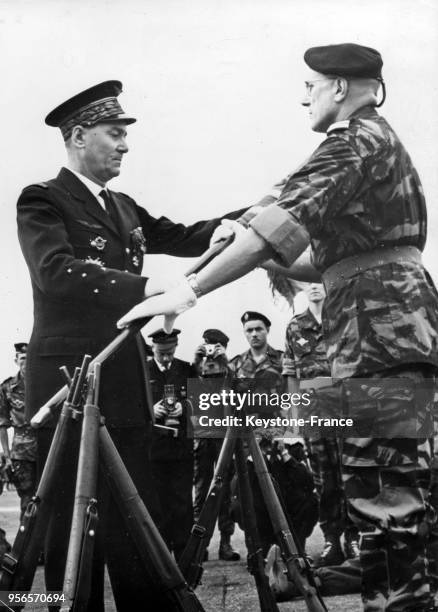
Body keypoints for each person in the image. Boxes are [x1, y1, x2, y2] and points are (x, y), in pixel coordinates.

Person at [119, 43, 438, 612]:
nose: (305, 96)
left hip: (378, 334)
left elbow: (280, 224)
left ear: (339, 87)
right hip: (384, 328)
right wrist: (251, 246)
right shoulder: (375, 144)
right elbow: (315, 259)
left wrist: (189, 289)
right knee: (388, 494)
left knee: (387, 500)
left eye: (311, 86)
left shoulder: (353, 143)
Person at [16, 80, 247, 611]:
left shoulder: (121, 206)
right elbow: (56, 273)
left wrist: (253, 215)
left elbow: (186, 235)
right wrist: (149, 288)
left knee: (132, 518)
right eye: (114, 134)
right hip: (69, 381)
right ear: (78, 137)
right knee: (70, 529)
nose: (125, 145)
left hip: (123, 380)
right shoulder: (43, 201)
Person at [283, 283, 359, 566]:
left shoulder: (345, 317)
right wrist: (293, 419)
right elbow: (291, 373)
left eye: (319, 280)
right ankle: (331, 539)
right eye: (308, 282)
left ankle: (354, 537)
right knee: (323, 480)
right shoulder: (294, 326)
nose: (314, 287)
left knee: (350, 473)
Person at [147, 328, 197, 562]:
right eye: (161, 353)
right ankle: (161, 559)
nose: (166, 358)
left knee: (182, 505)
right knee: (157, 506)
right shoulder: (142, 371)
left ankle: (184, 559)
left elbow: (203, 403)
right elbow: (132, 405)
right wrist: (150, 411)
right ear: (153, 349)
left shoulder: (187, 369)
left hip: (180, 451)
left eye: (170, 352)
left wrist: (184, 407)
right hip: (153, 452)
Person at [192, 328, 240, 562]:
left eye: (215, 347)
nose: (210, 352)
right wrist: (197, 360)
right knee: (201, 489)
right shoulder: (198, 366)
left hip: (224, 434)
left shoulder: (229, 369)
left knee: (225, 489)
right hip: (202, 435)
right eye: (207, 346)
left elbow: (240, 390)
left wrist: (225, 363)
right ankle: (199, 543)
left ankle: (226, 542)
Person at [0, 343, 37, 521]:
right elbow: (2, 424)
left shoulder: (43, 384)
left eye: (29, 358)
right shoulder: (7, 388)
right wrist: (7, 457)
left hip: (46, 448)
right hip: (22, 453)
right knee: (27, 501)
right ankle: (25, 547)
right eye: (22, 358)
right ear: (16, 361)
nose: (26, 362)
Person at [229, 311, 283, 412]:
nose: (254, 334)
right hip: (245, 426)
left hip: (276, 425)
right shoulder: (235, 364)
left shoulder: (282, 360)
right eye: (249, 330)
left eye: (258, 329)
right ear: (245, 333)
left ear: (267, 330)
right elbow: (227, 400)